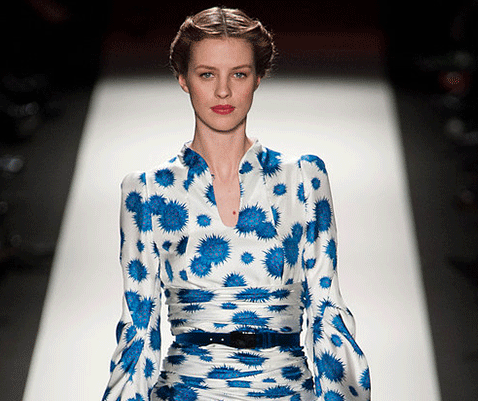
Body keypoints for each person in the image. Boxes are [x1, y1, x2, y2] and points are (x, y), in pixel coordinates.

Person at [102, 7, 370, 401]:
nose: (223, 92)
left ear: (258, 78)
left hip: (285, 391)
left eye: (239, 74)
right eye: (207, 74)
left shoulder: (302, 179)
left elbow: (327, 310)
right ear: (183, 78)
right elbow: (139, 328)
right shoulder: (147, 192)